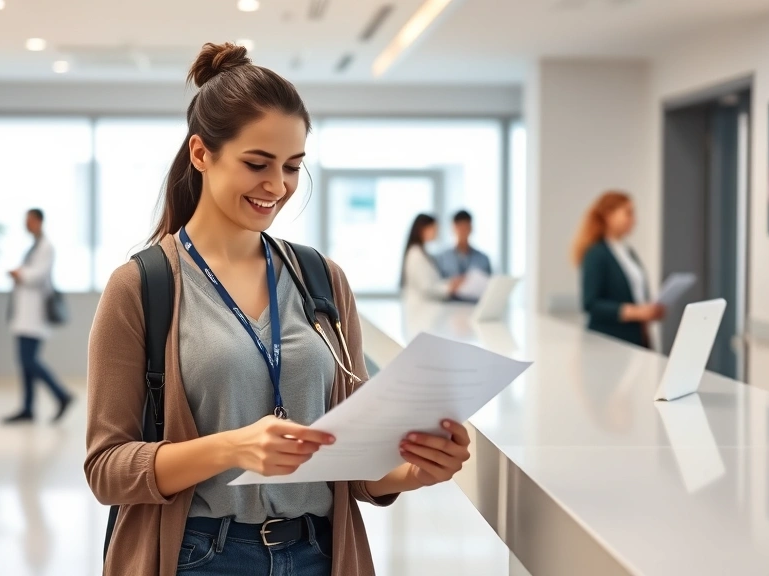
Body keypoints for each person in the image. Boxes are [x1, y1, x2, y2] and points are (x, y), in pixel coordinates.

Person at [86, 42, 473, 576]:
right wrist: (231, 448)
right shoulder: (141, 287)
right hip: (200, 556)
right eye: (257, 163)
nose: (278, 186)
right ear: (201, 154)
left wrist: (412, 471)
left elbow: (356, 464)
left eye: (293, 166)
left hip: (318, 552)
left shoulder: (323, 281)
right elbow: (106, 470)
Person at [3, 208, 73, 424]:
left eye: (30, 221)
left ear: (39, 221)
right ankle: (27, 408)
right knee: (24, 362)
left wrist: (20, 274)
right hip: (25, 315)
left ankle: (62, 395)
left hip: (34, 315)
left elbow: (39, 275)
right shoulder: (33, 247)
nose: (27, 225)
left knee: (29, 360)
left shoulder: (46, 247)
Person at [572, 190, 664, 348]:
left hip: (636, 338)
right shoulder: (597, 253)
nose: (634, 220)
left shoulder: (628, 252)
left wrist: (648, 311)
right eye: (628, 213)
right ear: (609, 215)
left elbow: (636, 294)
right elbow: (591, 304)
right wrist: (636, 312)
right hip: (608, 342)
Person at [401, 213, 465, 301]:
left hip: (426, 307)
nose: (437, 232)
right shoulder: (416, 254)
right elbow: (427, 287)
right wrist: (450, 287)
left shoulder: (423, 253)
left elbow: (431, 283)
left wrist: (450, 284)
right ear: (423, 229)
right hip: (421, 307)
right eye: (434, 229)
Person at [436, 210, 492, 278]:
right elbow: (436, 284)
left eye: (466, 227)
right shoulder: (442, 258)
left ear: (471, 228)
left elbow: (490, 284)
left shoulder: (483, 259)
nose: (463, 232)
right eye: (460, 228)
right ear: (453, 228)